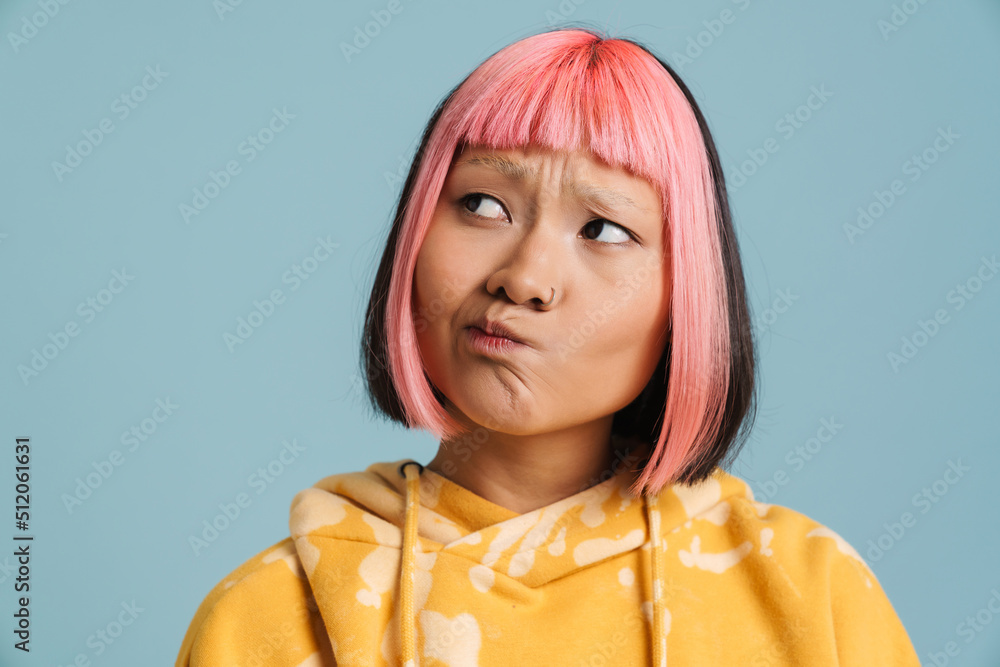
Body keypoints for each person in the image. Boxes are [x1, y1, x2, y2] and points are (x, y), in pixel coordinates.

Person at [175, 27, 921, 666]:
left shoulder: (811, 594)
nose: (525, 278)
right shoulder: (267, 616)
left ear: (688, 298)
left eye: (603, 228)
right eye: (482, 204)